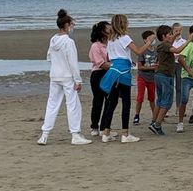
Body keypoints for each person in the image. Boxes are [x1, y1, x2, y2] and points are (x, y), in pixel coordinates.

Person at [37, 9, 92, 146]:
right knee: (73, 105)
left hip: (55, 75)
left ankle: (44, 135)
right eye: (72, 25)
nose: (72, 27)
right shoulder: (68, 42)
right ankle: (75, 134)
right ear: (67, 25)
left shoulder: (53, 39)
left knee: (52, 104)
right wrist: (78, 80)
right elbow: (73, 63)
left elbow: (49, 57)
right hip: (67, 76)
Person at [99, 14, 153, 143]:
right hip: (122, 73)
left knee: (111, 103)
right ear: (123, 24)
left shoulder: (110, 39)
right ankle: (125, 134)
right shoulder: (125, 38)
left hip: (113, 71)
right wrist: (149, 42)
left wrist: (128, 60)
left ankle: (106, 132)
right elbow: (138, 51)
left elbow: (113, 56)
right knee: (126, 103)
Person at [150, 24, 193, 135]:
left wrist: (174, 35)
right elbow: (177, 50)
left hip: (159, 75)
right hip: (165, 76)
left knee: (160, 100)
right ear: (164, 36)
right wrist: (188, 41)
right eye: (169, 34)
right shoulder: (165, 45)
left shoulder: (162, 45)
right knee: (167, 102)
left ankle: (153, 122)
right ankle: (157, 125)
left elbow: (170, 43)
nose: (171, 36)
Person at [88, 20, 112, 137]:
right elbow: (101, 63)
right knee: (98, 101)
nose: (111, 30)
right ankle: (94, 126)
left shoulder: (111, 43)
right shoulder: (95, 46)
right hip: (98, 74)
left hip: (110, 74)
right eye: (108, 28)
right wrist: (117, 66)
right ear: (102, 31)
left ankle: (104, 127)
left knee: (109, 101)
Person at [133, 30, 157, 127]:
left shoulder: (156, 51)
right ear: (145, 40)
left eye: (154, 38)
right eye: (151, 38)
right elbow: (140, 67)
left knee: (152, 98)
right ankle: (137, 115)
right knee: (140, 97)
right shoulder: (142, 51)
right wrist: (151, 68)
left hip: (152, 78)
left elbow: (158, 64)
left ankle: (154, 117)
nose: (153, 40)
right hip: (142, 77)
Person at [171, 22, 186, 115]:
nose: (178, 32)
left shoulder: (184, 42)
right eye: (176, 31)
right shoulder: (170, 42)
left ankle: (178, 107)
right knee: (169, 86)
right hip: (171, 64)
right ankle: (166, 108)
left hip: (180, 64)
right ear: (172, 31)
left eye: (179, 30)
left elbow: (183, 54)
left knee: (179, 87)